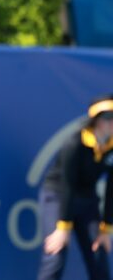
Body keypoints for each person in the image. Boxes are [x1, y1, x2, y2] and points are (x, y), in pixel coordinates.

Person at [38, 95, 113, 280]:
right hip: (58, 196)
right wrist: (63, 227)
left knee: (98, 256)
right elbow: (67, 184)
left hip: (87, 201)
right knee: (55, 256)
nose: (112, 123)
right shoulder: (74, 144)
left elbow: (112, 189)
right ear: (96, 120)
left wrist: (106, 229)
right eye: (108, 117)